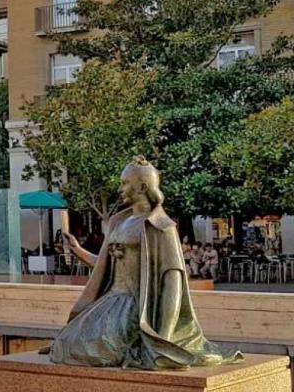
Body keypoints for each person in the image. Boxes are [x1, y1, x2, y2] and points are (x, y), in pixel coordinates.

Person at [48, 157, 240, 369]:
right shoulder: (118, 222)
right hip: (109, 303)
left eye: (125, 183)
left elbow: (173, 284)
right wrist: (77, 250)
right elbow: (104, 267)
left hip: (136, 308)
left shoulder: (161, 226)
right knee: (67, 344)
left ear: (142, 187)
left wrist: (163, 341)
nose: (120, 189)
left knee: (98, 349)